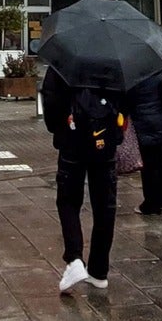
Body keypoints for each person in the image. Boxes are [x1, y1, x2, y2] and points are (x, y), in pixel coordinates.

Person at [41, 66, 122, 292]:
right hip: (104, 142)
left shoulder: (64, 62)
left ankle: (75, 259)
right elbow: (125, 98)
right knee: (105, 206)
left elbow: (51, 99)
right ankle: (99, 271)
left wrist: (57, 129)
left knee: (68, 200)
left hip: (72, 140)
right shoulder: (113, 62)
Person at [127, 64, 162, 216]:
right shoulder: (161, 68)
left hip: (147, 124)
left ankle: (151, 204)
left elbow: (129, 99)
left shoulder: (135, 74)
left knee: (150, 165)